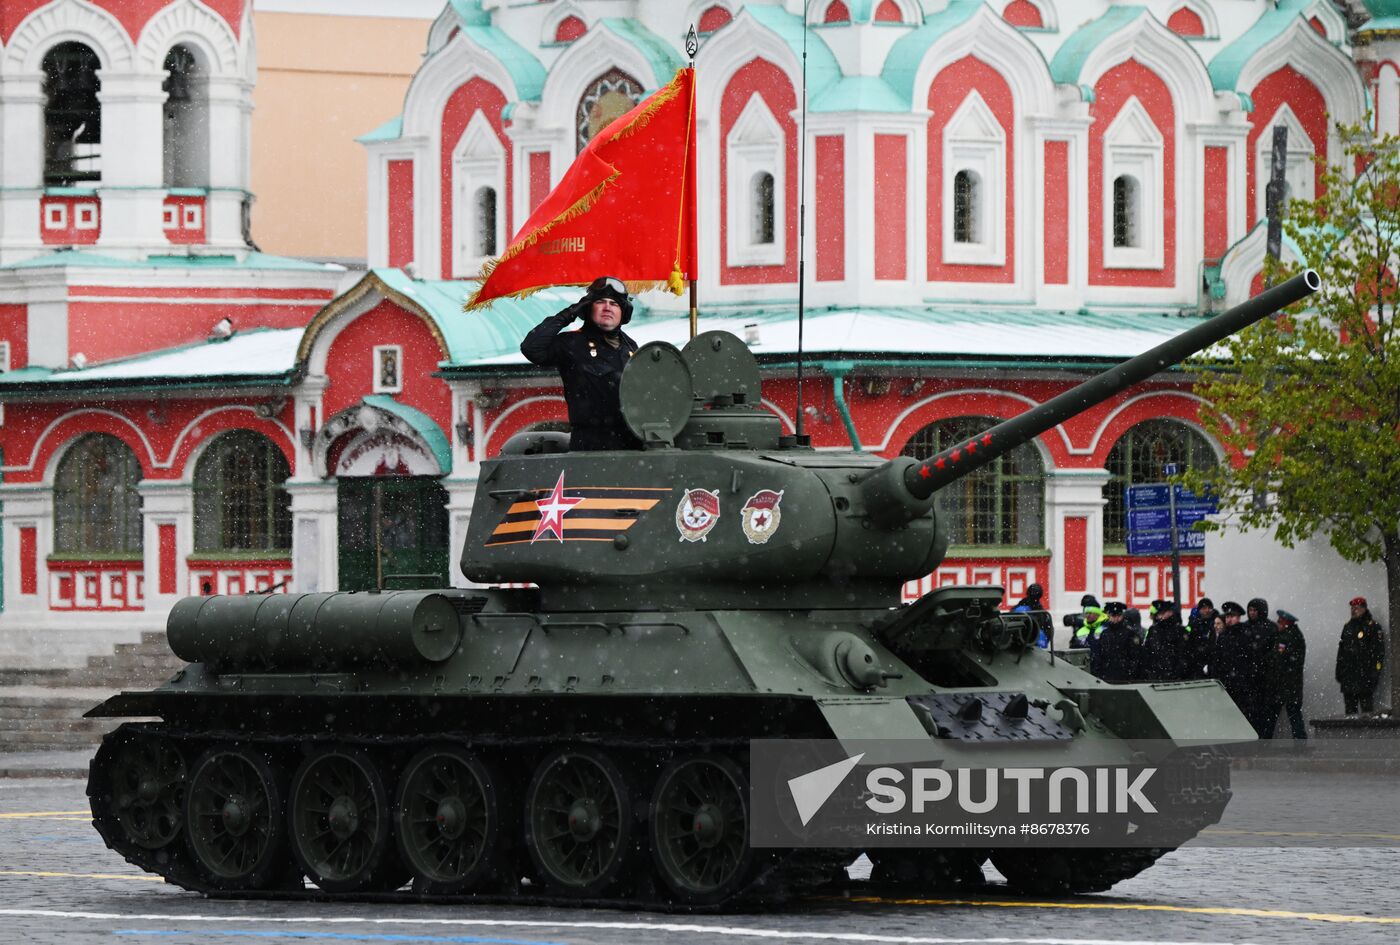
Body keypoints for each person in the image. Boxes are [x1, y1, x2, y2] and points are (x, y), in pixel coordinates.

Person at [520, 275, 640, 451]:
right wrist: (570, 313)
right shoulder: (572, 343)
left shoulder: (632, 348)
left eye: (614, 304)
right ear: (588, 307)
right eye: (600, 302)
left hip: (632, 444)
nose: (608, 307)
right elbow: (532, 348)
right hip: (591, 445)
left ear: (624, 312)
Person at [1209, 601, 1258, 727]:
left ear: (1238, 617)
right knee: (1227, 719)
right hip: (1226, 685)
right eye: (1227, 617)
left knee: (1243, 718)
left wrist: (1248, 680)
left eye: (1232, 616)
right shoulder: (1223, 636)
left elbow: (1252, 660)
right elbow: (1217, 659)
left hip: (1243, 685)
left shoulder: (1246, 634)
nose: (1229, 619)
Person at [1336, 596, 1386, 715]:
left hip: (1365, 677)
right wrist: (1339, 671)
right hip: (1349, 677)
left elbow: (1379, 653)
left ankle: (1367, 734)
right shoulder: (1347, 627)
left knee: (1367, 713)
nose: (1353, 610)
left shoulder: (1373, 627)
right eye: (1352, 608)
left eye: (1357, 608)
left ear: (1364, 609)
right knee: (1350, 714)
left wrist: (1375, 672)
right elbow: (1342, 651)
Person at [1267, 609, 1308, 739]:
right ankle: (1300, 744)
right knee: (1294, 715)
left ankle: (1264, 743)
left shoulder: (1287, 637)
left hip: (1285, 684)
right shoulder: (1294, 635)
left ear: (1286, 623)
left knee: (1278, 715)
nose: (1277, 624)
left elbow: (1279, 660)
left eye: (1280, 622)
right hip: (1290, 685)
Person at [1243, 598, 1280, 736]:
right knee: (1252, 712)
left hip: (1265, 679)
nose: (1252, 613)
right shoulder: (1245, 627)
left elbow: (1274, 653)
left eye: (1255, 610)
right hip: (1250, 678)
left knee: (1265, 713)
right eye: (1250, 610)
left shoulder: (1270, 628)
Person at [1139, 599, 1187, 681]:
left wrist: (1178, 670)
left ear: (1170, 613)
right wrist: (1149, 669)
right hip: (1155, 674)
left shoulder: (1178, 630)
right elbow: (1147, 650)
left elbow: (1182, 652)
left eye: (1162, 613)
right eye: (1159, 613)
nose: (1160, 616)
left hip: (1173, 675)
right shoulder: (1153, 629)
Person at [1095, 601, 1139, 682]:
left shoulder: (1129, 633)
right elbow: (1100, 655)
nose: (1116, 618)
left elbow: (1135, 656)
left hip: (1124, 676)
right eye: (1113, 615)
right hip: (1107, 675)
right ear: (1109, 616)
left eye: (1118, 615)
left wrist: (1130, 672)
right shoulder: (1104, 634)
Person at [1183, 598, 1216, 680]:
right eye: (1204, 608)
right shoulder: (1193, 625)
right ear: (1199, 610)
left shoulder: (1216, 623)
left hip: (1211, 664)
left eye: (1209, 608)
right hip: (1196, 665)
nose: (1207, 610)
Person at [1011, 583, 1052, 647]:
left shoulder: (1018, 608)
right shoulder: (1042, 613)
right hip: (1034, 643)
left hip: (1018, 643)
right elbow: (1048, 631)